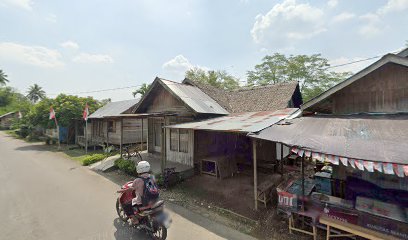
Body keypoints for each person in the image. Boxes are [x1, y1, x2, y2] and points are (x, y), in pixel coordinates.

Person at [118, 161, 159, 225]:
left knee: (126, 205)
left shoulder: (138, 180)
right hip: (154, 199)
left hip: (143, 203)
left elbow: (131, 189)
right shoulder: (152, 177)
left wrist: (122, 191)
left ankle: (135, 219)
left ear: (139, 169)